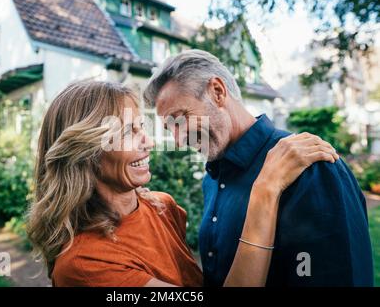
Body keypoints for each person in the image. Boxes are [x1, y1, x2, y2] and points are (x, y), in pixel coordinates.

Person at [27, 80, 339, 287]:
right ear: (84, 152)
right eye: (127, 133)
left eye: (142, 128)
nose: (148, 142)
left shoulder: (161, 206)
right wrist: (266, 188)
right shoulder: (85, 264)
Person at [143, 49, 374, 286]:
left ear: (217, 92)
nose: (179, 140)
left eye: (180, 119)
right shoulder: (211, 179)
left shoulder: (309, 166)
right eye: (171, 128)